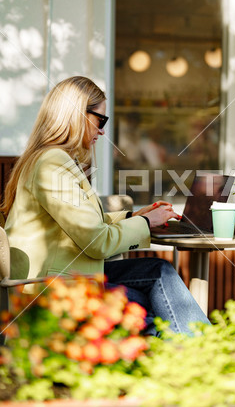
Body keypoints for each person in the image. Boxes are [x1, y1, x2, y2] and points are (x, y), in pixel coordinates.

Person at [2, 76, 210, 336]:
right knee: (157, 306)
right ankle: (204, 352)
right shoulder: (52, 162)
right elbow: (96, 241)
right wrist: (145, 223)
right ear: (77, 115)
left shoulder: (53, 159)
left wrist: (134, 215)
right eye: (100, 120)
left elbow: (87, 223)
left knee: (159, 272)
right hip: (52, 286)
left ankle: (202, 350)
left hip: (68, 275)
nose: (102, 131)